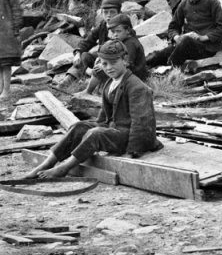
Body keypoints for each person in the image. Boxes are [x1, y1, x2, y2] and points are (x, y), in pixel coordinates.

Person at [26, 40, 160, 179]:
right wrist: (92, 127)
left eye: (113, 63)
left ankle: (64, 168)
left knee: (96, 134)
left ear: (125, 60)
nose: (108, 68)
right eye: (104, 64)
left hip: (127, 136)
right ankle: (48, 163)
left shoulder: (136, 87)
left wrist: (133, 150)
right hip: (113, 129)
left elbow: (142, 122)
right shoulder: (110, 82)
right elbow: (104, 117)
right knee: (79, 127)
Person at [146, 0, 222, 70]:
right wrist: (176, 37)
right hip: (186, 47)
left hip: (208, 48)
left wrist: (203, 37)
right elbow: (173, 27)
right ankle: (140, 67)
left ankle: (170, 70)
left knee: (186, 42)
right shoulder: (183, 4)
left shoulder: (212, 3)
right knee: (160, 54)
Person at [67, 0, 125, 87]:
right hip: (102, 61)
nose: (109, 16)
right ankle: (68, 81)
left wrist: (104, 63)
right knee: (84, 55)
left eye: (112, 12)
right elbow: (88, 41)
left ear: (119, 13)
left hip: (116, 64)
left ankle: (94, 84)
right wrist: (77, 53)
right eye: (106, 12)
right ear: (102, 13)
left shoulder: (123, 28)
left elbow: (124, 55)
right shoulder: (103, 25)